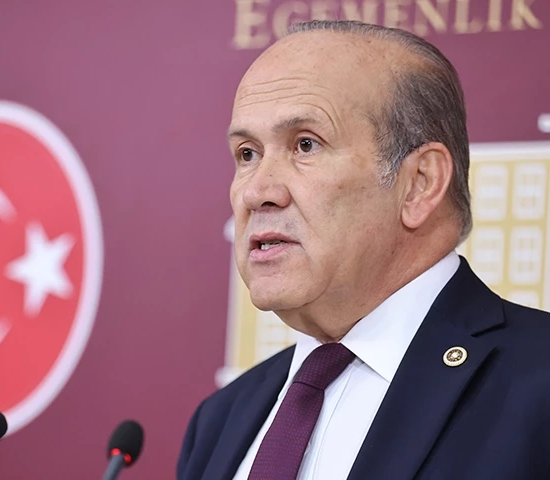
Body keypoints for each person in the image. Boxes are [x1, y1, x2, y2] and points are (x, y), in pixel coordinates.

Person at [177, 20, 550, 480]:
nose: (257, 192)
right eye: (248, 153)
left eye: (305, 145)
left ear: (420, 184)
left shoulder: (538, 381)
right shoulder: (218, 422)